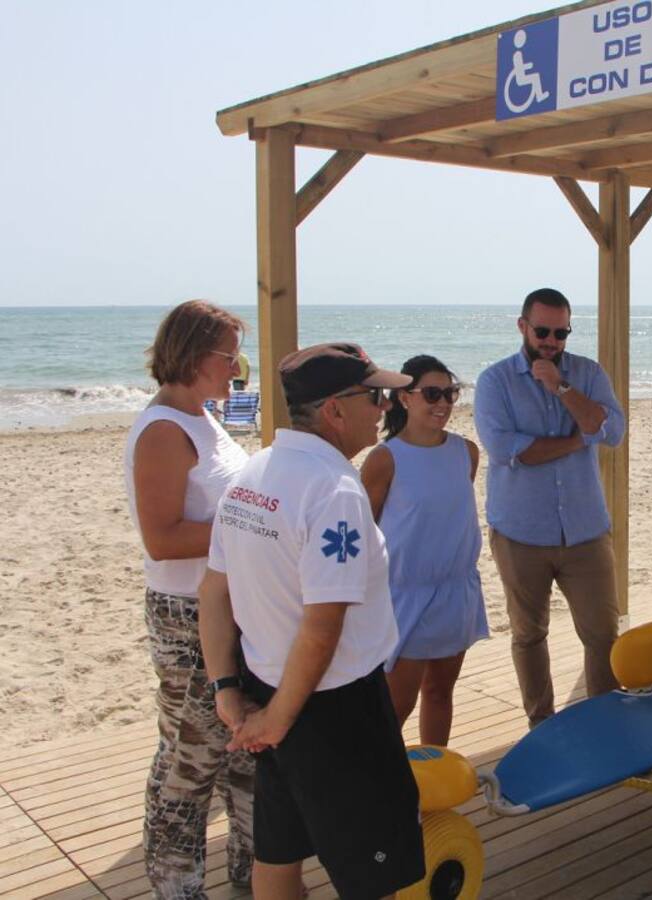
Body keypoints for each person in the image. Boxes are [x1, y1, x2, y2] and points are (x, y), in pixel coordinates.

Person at [198, 343, 425, 899]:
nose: (385, 408)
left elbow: (213, 590)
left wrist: (228, 690)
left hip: (269, 690)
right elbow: (323, 626)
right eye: (374, 396)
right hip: (335, 707)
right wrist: (276, 719)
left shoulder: (251, 475)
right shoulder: (335, 491)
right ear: (335, 409)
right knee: (372, 874)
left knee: (277, 854)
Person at [122, 299, 255, 898]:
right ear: (195, 356)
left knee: (241, 752)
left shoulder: (203, 416)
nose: (237, 369)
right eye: (230, 357)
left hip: (229, 610)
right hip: (187, 618)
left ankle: (256, 877)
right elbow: (163, 537)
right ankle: (178, 887)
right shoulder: (163, 430)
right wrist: (253, 526)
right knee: (190, 762)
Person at [474, 287, 626, 728]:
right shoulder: (494, 381)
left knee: (602, 634)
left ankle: (607, 722)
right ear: (523, 326)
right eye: (543, 331)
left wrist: (561, 388)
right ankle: (541, 725)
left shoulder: (587, 374)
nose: (552, 341)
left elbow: (612, 431)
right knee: (528, 635)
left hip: (585, 530)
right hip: (520, 532)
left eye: (561, 333)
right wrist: (580, 438)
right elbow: (508, 450)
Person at [361, 355, 489, 746]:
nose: (443, 403)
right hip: (405, 597)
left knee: (440, 692)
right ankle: (386, 793)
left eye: (450, 393)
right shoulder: (385, 459)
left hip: (455, 592)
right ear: (404, 398)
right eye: (432, 393)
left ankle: (433, 776)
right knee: (396, 707)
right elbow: (366, 531)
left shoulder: (466, 451)